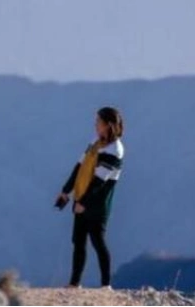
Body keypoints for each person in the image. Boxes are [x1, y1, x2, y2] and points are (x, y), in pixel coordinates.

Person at [56, 106, 125, 289]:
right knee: (78, 241)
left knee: (98, 241)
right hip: (81, 195)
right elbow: (80, 166)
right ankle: (74, 283)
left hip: (97, 202)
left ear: (108, 125)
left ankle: (105, 285)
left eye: (98, 122)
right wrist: (66, 191)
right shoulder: (96, 142)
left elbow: (99, 181)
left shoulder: (115, 150)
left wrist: (83, 203)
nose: (95, 125)